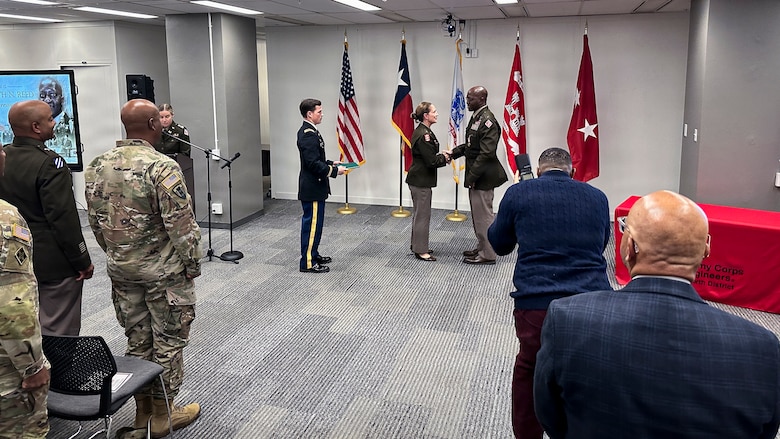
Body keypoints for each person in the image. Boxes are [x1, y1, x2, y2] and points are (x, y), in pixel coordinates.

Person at [534, 190, 780, 439]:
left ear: (630, 247)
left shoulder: (567, 319)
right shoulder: (763, 348)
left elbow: (551, 417)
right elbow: (765, 429)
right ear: (706, 249)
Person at [84, 99, 202, 438]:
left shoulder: (96, 165)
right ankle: (163, 414)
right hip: (164, 274)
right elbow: (181, 225)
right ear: (154, 124)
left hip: (122, 270)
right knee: (168, 340)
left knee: (137, 339)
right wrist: (193, 263)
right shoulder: (162, 166)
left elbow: (96, 223)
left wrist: (119, 254)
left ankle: (142, 413)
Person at [487, 147, 611, 439]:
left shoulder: (519, 193)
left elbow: (499, 245)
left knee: (530, 368)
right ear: (572, 172)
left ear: (538, 171)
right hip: (593, 303)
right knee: (586, 374)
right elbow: (601, 243)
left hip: (537, 303)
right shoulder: (598, 197)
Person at [0, 100, 93, 336]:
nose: (54, 123)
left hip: (9, 259)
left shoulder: (4, 156)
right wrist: (82, 260)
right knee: (57, 331)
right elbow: (63, 220)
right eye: (50, 119)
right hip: (51, 263)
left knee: (18, 326)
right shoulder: (51, 163)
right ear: (36, 127)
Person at [0, 145, 51, 439]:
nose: (4, 154)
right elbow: (11, 304)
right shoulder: (5, 218)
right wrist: (32, 367)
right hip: (6, 373)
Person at [450, 86, 508, 265]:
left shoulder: (488, 121)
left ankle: (488, 254)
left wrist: (472, 177)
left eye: (471, 98)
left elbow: (486, 153)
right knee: (478, 216)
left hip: (483, 177)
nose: (467, 101)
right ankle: (483, 246)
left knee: (484, 217)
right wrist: (453, 153)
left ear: (482, 99)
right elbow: (471, 146)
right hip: (477, 175)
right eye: (467, 98)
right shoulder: (477, 117)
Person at [297, 98, 345, 273]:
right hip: (312, 188)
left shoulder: (311, 131)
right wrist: (334, 171)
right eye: (319, 112)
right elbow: (312, 164)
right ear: (309, 114)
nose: (322, 114)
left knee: (316, 226)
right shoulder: (308, 134)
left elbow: (316, 159)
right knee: (311, 226)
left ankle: (313, 254)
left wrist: (332, 163)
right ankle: (308, 263)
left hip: (315, 187)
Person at [406, 102, 450, 261]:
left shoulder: (423, 131)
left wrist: (442, 156)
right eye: (434, 111)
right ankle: (421, 250)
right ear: (426, 115)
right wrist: (445, 157)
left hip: (419, 179)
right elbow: (431, 161)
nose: (437, 114)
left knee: (420, 215)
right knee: (422, 216)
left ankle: (417, 245)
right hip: (420, 181)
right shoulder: (424, 135)